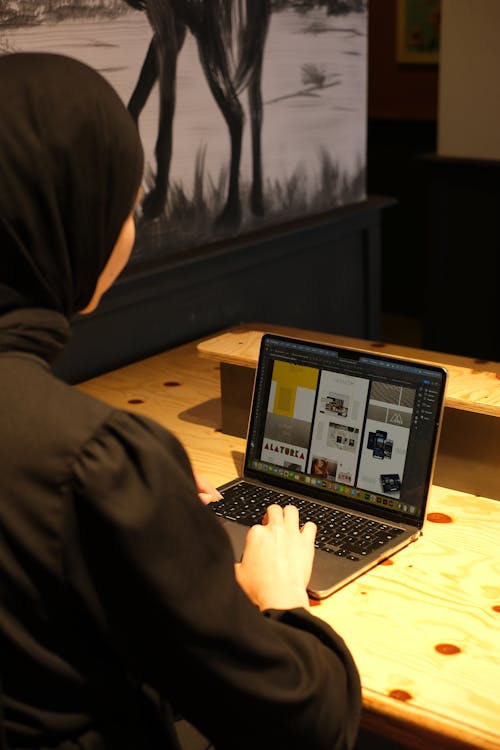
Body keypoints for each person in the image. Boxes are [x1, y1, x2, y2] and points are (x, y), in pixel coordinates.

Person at [0, 52, 362, 750]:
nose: (131, 231)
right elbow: (307, 726)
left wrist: (150, 517)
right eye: (125, 205)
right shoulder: (94, 460)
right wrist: (281, 598)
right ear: (65, 218)